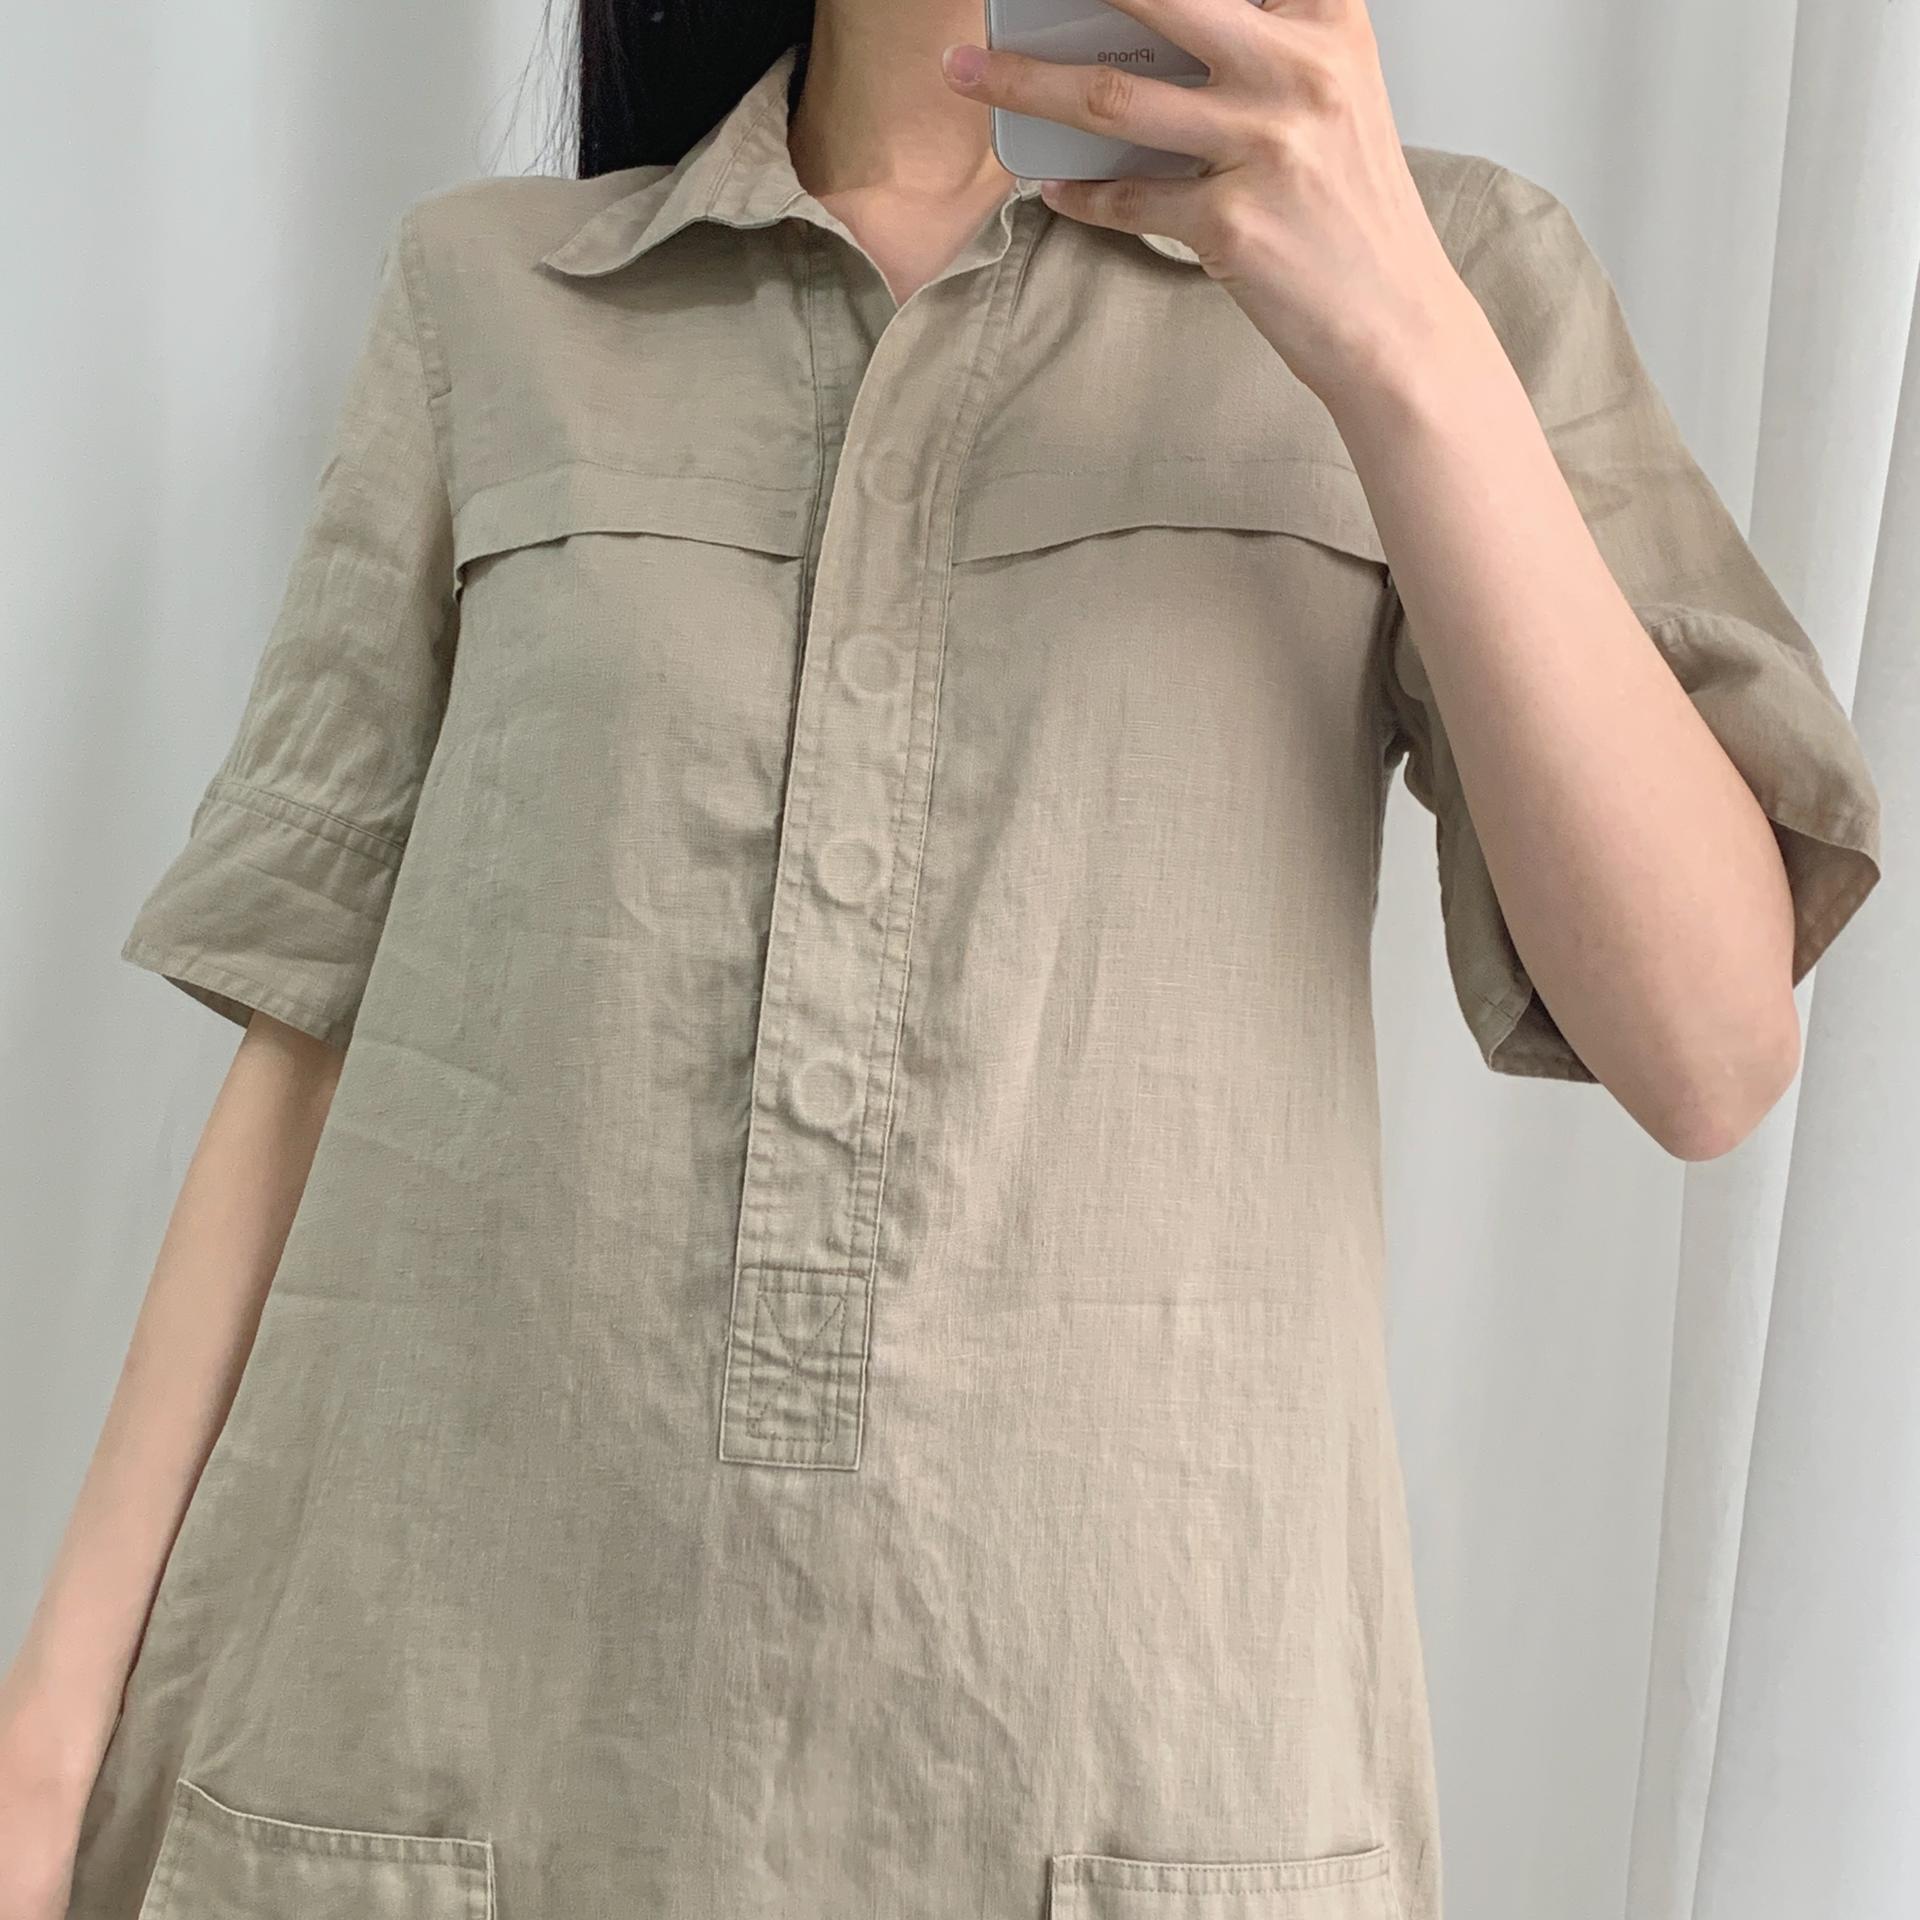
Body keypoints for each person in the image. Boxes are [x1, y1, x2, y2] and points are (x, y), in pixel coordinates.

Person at [1, 2, 1886, 1917]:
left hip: (1130, 1796)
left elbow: (1708, 1049)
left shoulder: (1444, 268)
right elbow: (312, 1041)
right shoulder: (496, 295)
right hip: (431, 1763)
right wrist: (47, 1743)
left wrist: (1395, 328)